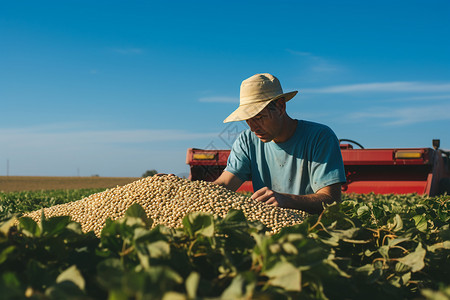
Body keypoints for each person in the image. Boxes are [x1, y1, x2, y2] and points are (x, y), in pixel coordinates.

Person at [213, 73, 346, 214]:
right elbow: (225, 184)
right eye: (248, 120)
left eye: (259, 118)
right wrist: (194, 192)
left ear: (281, 107)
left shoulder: (320, 137)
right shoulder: (247, 141)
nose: (253, 127)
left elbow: (331, 199)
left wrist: (287, 201)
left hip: (312, 227)